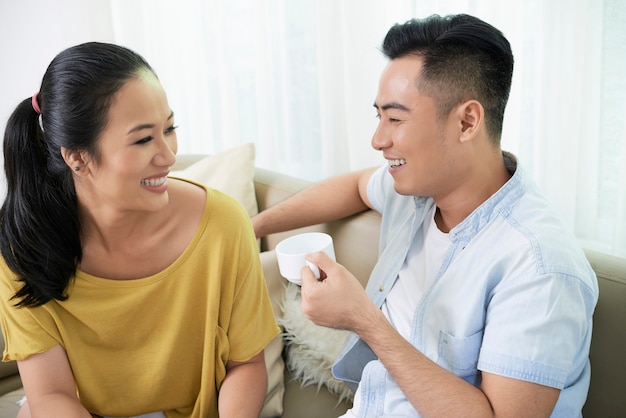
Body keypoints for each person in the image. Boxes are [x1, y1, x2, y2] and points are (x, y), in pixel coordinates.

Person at [252, 14, 598, 417]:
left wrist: (363, 320)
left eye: (395, 118)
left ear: (467, 121)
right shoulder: (414, 190)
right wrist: (251, 227)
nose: (379, 139)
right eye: (378, 116)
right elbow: (353, 187)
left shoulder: (539, 265)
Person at [0, 42, 279, 418]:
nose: (168, 156)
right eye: (144, 138)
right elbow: (50, 394)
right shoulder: (23, 248)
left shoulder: (223, 224)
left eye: (170, 128)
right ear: (78, 157)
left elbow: (246, 364)